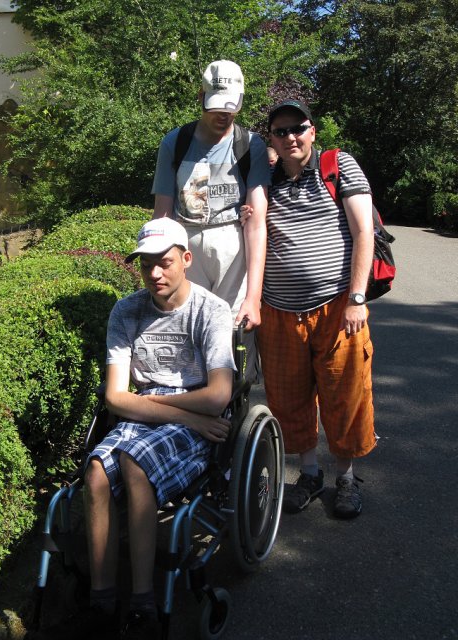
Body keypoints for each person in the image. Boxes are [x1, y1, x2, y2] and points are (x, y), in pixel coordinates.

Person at [32, 218, 235, 640]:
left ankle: (143, 606)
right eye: (146, 265)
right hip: (171, 414)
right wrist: (183, 414)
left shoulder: (212, 311)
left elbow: (217, 396)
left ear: (186, 259)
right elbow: (114, 397)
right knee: (95, 472)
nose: (154, 273)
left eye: (164, 263)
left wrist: (162, 407)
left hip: (190, 414)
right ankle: (102, 602)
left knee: (134, 463)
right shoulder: (126, 310)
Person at [251, 99, 377, 519]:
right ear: (271, 140)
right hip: (278, 312)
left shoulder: (337, 166)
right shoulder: (263, 179)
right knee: (289, 399)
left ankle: (346, 477)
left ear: (312, 131)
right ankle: (309, 474)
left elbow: (363, 232)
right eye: (280, 131)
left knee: (345, 394)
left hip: (337, 307)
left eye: (297, 128)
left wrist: (357, 297)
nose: (290, 137)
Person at [152, 59, 269, 381]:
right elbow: (162, 213)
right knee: (187, 330)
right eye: (216, 106)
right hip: (186, 246)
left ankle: (232, 402)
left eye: (231, 107)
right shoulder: (175, 143)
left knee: (232, 336)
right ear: (201, 97)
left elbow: (257, 222)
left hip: (234, 251)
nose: (223, 116)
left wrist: (253, 298)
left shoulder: (250, 146)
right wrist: (157, 268)